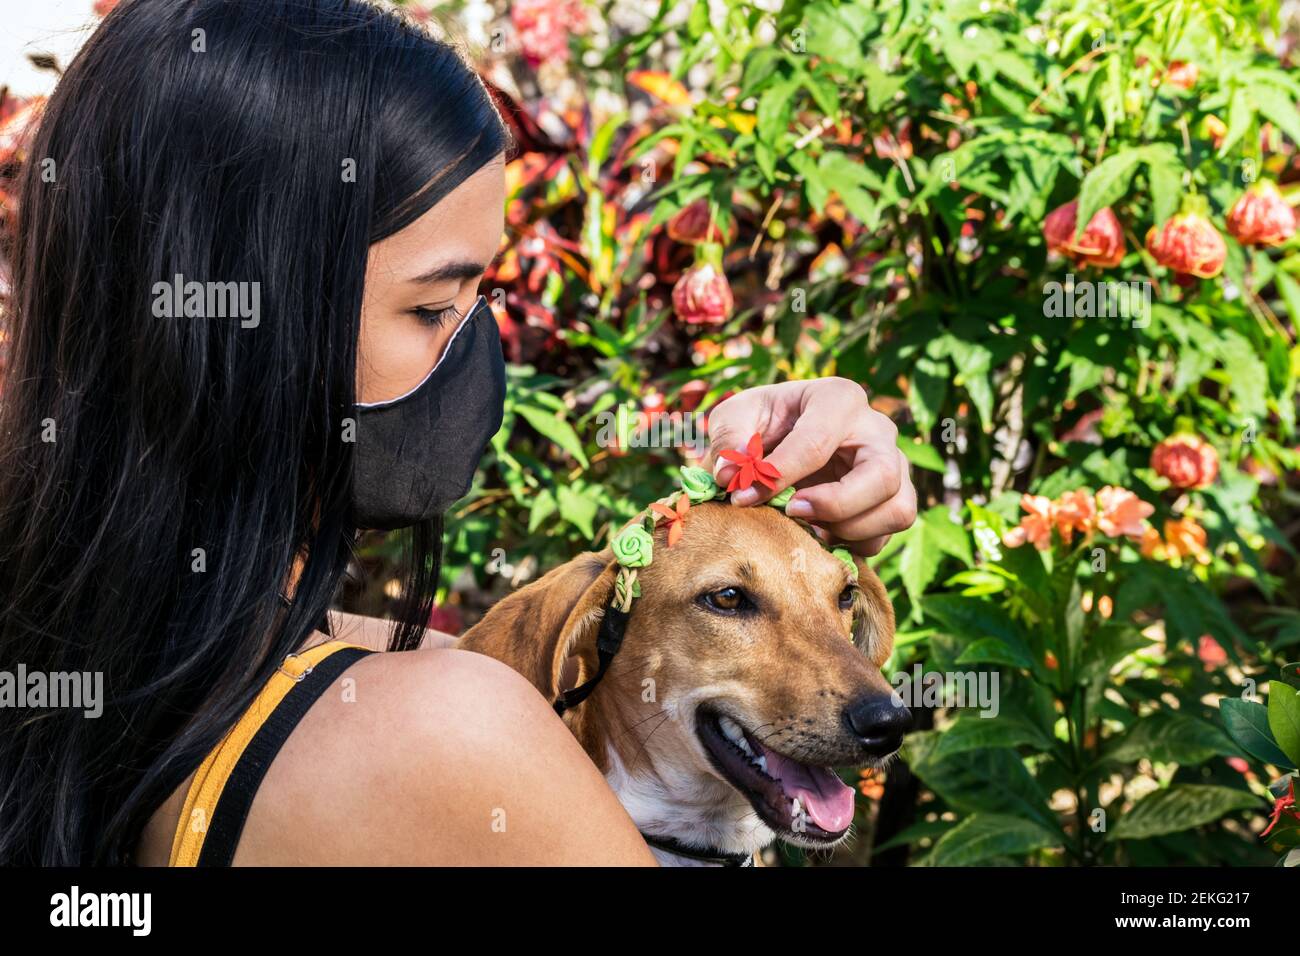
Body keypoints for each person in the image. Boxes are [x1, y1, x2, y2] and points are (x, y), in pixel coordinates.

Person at [0, 0, 916, 866]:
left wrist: (805, 557)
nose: (478, 353)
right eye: (435, 305)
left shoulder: (108, 660)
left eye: (484, 298)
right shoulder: (450, 733)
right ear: (242, 325)